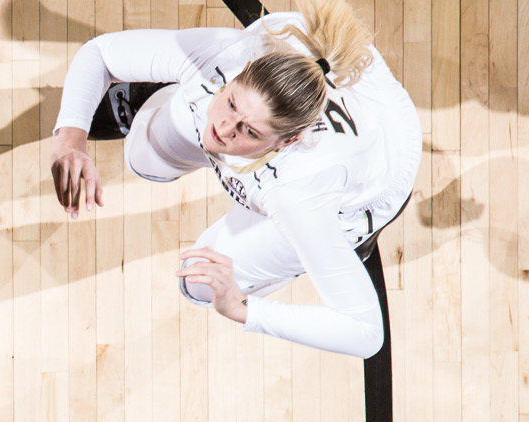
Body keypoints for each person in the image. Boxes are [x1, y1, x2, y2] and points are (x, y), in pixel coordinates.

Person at [48, 0, 421, 358]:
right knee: (144, 157)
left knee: (199, 283)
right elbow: (99, 53)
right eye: (230, 104)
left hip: (374, 174)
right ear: (239, 76)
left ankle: (352, 241)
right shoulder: (225, 56)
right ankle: (170, 100)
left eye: (249, 131)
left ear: (288, 140)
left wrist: (244, 310)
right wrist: (71, 140)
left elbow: (366, 332)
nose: (224, 129)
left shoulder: (297, 194)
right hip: (328, 63)